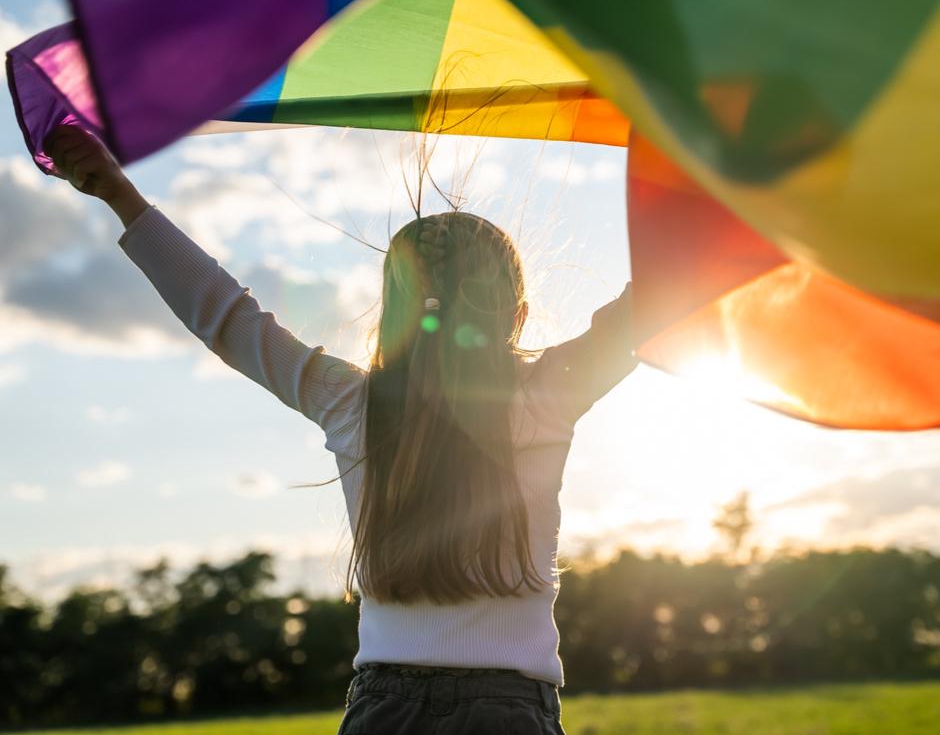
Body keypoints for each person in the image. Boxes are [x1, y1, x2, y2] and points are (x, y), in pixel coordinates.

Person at [43, 124, 639, 734]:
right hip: (509, 713)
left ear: (393, 313)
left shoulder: (348, 400)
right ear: (518, 314)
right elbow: (661, 299)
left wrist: (120, 193)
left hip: (385, 711)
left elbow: (224, 316)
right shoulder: (547, 394)